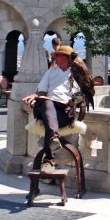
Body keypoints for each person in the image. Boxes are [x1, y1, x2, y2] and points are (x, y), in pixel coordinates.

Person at [21, 45, 95, 173]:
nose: (55, 57)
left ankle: (50, 157)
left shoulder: (77, 74)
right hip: (46, 108)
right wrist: (34, 95)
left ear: (66, 58)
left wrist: (72, 102)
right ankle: (53, 141)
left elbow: (86, 94)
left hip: (64, 112)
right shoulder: (51, 72)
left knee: (48, 108)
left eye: (58, 55)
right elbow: (41, 92)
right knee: (47, 102)